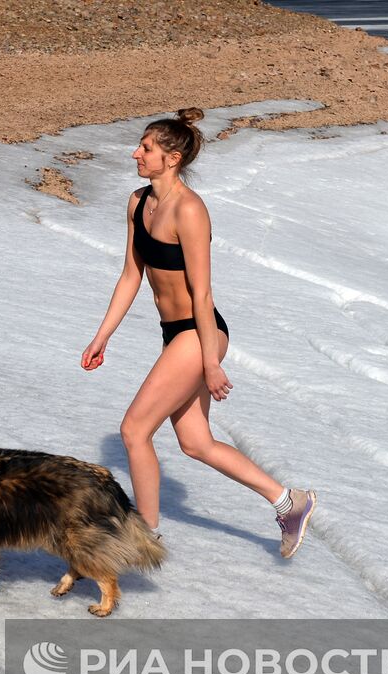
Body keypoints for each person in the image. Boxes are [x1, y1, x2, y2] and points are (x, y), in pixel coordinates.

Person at [80, 108, 316, 559]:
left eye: (146, 149)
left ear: (172, 158)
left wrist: (211, 361)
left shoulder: (189, 210)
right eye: (140, 146)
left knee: (134, 430)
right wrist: (102, 336)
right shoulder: (138, 202)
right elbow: (131, 276)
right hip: (175, 335)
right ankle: (290, 502)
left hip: (200, 332)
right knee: (195, 442)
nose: (136, 153)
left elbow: (202, 292)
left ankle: (143, 536)